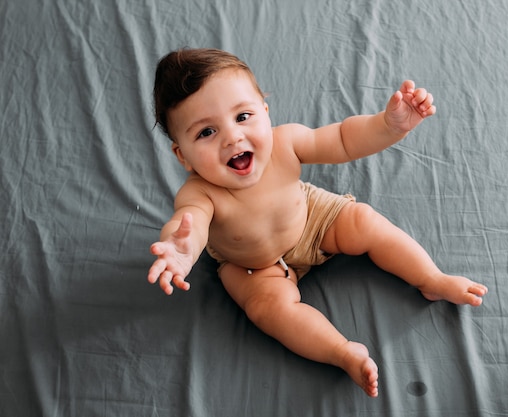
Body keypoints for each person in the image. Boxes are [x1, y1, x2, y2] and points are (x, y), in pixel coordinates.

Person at [147, 48, 487, 397]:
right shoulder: (199, 193)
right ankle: (342, 352)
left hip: (311, 219)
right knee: (268, 309)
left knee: (363, 221)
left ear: (265, 112)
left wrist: (388, 126)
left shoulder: (286, 143)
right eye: (206, 133)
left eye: (243, 116)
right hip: (250, 264)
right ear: (182, 155)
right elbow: (189, 223)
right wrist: (179, 249)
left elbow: (343, 139)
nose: (232, 137)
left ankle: (430, 278)